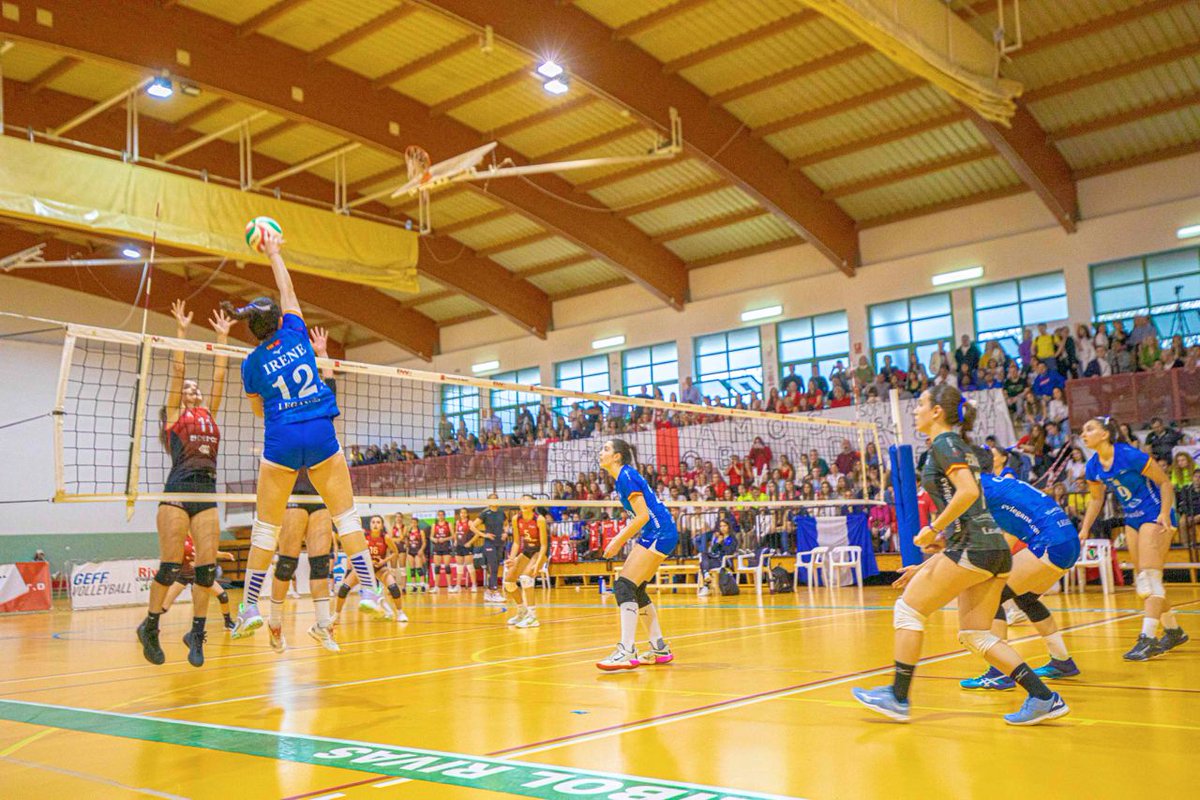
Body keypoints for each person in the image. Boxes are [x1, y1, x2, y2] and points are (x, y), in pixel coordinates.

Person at [851, 385, 1067, 725]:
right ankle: (1043, 697)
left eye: (921, 404)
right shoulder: (955, 446)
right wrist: (935, 554)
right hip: (992, 549)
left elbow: (966, 492)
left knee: (908, 610)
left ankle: (897, 696)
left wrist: (933, 528)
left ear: (937, 411)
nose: (916, 410)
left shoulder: (945, 444)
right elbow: (970, 504)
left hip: (975, 546)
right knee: (975, 634)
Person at [223, 228, 384, 641]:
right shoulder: (296, 331)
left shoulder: (251, 363)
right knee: (346, 517)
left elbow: (258, 409)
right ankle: (370, 588)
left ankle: (250, 607)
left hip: (281, 438)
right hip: (320, 432)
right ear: (279, 320)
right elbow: (288, 289)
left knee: (265, 528)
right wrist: (273, 252)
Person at [137, 300, 233, 668]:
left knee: (206, 571)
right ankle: (150, 626)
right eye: (188, 389)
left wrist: (222, 338)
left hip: (206, 492)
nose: (194, 390)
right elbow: (178, 372)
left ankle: (196, 633)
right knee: (170, 567)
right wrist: (181, 332)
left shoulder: (209, 413)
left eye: (196, 389)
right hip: (177, 491)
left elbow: (220, 377)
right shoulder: (175, 416)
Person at [957, 467, 1082, 689]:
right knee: (1026, 598)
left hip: (1050, 543)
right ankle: (1062, 661)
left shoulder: (977, 491)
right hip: (1067, 540)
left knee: (993, 596)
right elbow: (1008, 534)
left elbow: (970, 543)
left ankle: (1000, 671)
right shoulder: (997, 484)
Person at [1079, 416, 1188, 660]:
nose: (1083, 434)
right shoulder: (1093, 465)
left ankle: (1148, 638)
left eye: (1089, 429)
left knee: (1150, 577)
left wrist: (1164, 513)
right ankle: (1173, 631)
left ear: (1105, 434)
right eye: (1083, 431)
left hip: (1155, 513)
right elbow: (1096, 499)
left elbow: (1165, 483)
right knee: (1143, 584)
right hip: (1133, 518)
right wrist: (1084, 529)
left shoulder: (1129, 455)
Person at [265, 326, 340, 653]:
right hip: (294, 495)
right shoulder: (283, 414)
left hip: (320, 495)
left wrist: (323, 353)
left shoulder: (323, 412)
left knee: (321, 563)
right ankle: (275, 624)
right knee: (287, 563)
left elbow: (330, 384)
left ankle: (322, 626)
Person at [596, 438, 680, 670]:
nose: (600, 452)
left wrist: (617, 540)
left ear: (617, 456)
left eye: (605, 449)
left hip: (659, 533)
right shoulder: (624, 477)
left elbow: (642, 516)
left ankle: (626, 650)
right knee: (636, 589)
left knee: (623, 586)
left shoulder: (626, 476)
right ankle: (659, 648)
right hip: (662, 532)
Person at [334, 515, 406, 624]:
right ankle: (336, 615)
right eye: (373, 522)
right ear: (370, 524)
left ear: (382, 525)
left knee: (394, 588)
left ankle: (400, 613)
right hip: (364, 568)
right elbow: (355, 551)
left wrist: (384, 561)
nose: (375, 524)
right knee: (344, 589)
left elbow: (395, 552)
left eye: (378, 522)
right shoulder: (364, 536)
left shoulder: (385, 537)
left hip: (380, 568)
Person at [158, 534, 236, 632]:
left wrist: (223, 555)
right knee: (164, 606)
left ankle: (228, 622)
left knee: (222, 595)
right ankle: (149, 625)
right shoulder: (180, 537)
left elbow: (208, 552)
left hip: (199, 575)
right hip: (182, 575)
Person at [504, 498, 548, 628]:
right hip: (527, 551)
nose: (524, 504)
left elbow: (544, 545)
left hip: (540, 551)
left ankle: (533, 617)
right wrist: (512, 558)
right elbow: (516, 542)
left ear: (533, 505)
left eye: (527, 502)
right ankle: (522, 611)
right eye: (522, 501)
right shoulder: (516, 519)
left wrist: (538, 563)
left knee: (526, 578)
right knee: (509, 581)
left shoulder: (539, 519)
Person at [470, 495, 507, 604]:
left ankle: (489, 592)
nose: (495, 500)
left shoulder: (501, 512)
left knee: (496, 567)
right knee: (493, 566)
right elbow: (472, 526)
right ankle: (494, 592)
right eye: (492, 499)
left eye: (496, 498)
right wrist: (484, 535)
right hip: (489, 543)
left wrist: (505, 532)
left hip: (500, 543)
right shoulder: (485, 513)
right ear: (489, 501)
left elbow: (506, 524)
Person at [428, 509, 454, 594]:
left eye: (442, 514)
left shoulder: (448, 524)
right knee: (437, 567)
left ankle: (449, 586)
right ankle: (436, 587)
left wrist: (445, 539)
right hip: (437, 547)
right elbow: (431, 537)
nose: (440, 516)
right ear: (437, 516)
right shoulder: (434, 525)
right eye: (439, 515)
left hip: (446, 547)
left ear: (444, 515)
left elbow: (453, 536)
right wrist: (434, 539)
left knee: (447, 567)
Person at [452, 507, 478, 592]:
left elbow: (477, 534)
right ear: (459, 514)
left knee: (469, 565)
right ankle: (458, 586)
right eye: (461, 513)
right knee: (459, 566)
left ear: (467, 514)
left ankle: (474, 585)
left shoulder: (470, 522)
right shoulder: (457, 522)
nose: (462, 514)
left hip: (467, 546)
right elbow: (456, 532)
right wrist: (455, 540)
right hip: (459, 546)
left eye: (464, 513)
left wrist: (470, 542)